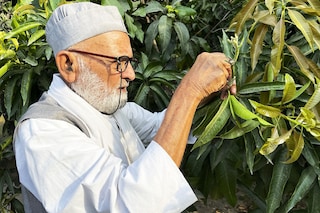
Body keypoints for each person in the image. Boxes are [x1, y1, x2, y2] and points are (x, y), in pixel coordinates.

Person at [14, 2, 236, 213]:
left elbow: (163, 127)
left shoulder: (113, 110)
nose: (130, 74)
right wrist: (190, 89)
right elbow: (130, 204)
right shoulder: (41, 132)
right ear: (68, 65)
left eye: (130, 61)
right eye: (118, 62)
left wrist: (207, 98)